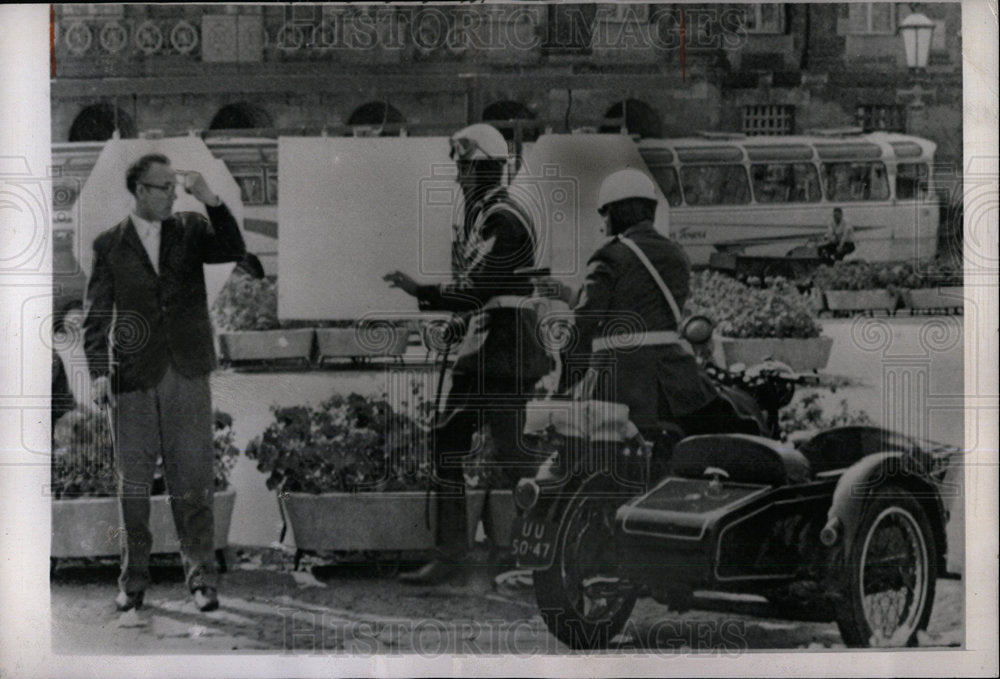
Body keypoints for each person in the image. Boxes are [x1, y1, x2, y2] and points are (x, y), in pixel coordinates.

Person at [384, 123, 550, 584]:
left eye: (464, 168)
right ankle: (471, 553)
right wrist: (463, 317)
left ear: (485, 170)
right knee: (473, 446)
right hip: (493, 345)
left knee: (504, 452)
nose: (458, 177)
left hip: (502, 349)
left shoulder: (502, 217)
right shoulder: (488, 215)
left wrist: (423, 291)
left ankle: (500, 552)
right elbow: (487, 291)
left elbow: (479, 285)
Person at [84, 153, 246, 612]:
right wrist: (98, 375)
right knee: (132, 487)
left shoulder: (192, 229)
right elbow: (97, 319)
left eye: (175, 187)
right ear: (140, 190)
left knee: (193, 479)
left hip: (187, 370)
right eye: (165, 187)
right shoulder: (108, 245)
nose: (174, 193)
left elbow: (233, 248)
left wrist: (210, 198)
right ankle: (133, 579)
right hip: (133, 378)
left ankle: (201, 579)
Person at [566, 168, 758, 462]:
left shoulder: (609, 255)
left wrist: (566, 382)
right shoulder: (676, 254)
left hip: (617, 379)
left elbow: (584, 323)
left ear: (619, 212)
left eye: (605, 213)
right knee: (731, 427)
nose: (603, 222)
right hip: (675, 378)